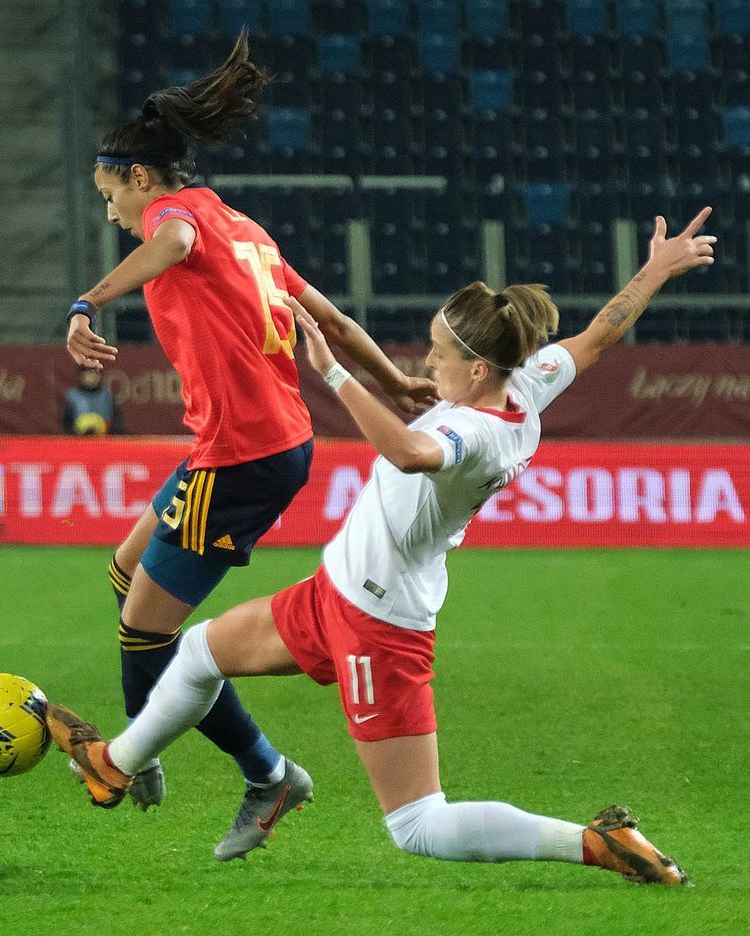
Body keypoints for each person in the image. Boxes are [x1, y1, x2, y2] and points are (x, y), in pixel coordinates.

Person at [47, 207, 715, 881]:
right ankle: (118, 765)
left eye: (441, 354)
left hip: (379, 621)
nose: (429, 361)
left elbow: (407, 452)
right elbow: (600, 334)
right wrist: (657, 268)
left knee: (417, 824)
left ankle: (596, 843)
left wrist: (334, 374)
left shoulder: (476, 436)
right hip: (336, 590)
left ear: (479, 370)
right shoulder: (527, 382)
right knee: (196, 652)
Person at [61, 29, 438, 854]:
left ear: (138, 176)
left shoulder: (178, 219)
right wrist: (397, 383)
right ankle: (156, 740)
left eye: (108, 196)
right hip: (254, 446)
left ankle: (219, 766)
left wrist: (88, 302)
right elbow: (329, 318)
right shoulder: (244, 224)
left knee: (144, 631)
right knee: (126, 575)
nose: (112, 213)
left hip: (242, 457)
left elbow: (172, 244)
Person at [62, 365, 123, 435]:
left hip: (104, 440)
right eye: (88, 373)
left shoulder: (107, 395)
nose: (91, 377)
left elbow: (117, 422)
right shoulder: (72, 396)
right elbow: (66, 423)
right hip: (78, 441)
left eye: (94, 373)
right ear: (81, 375)